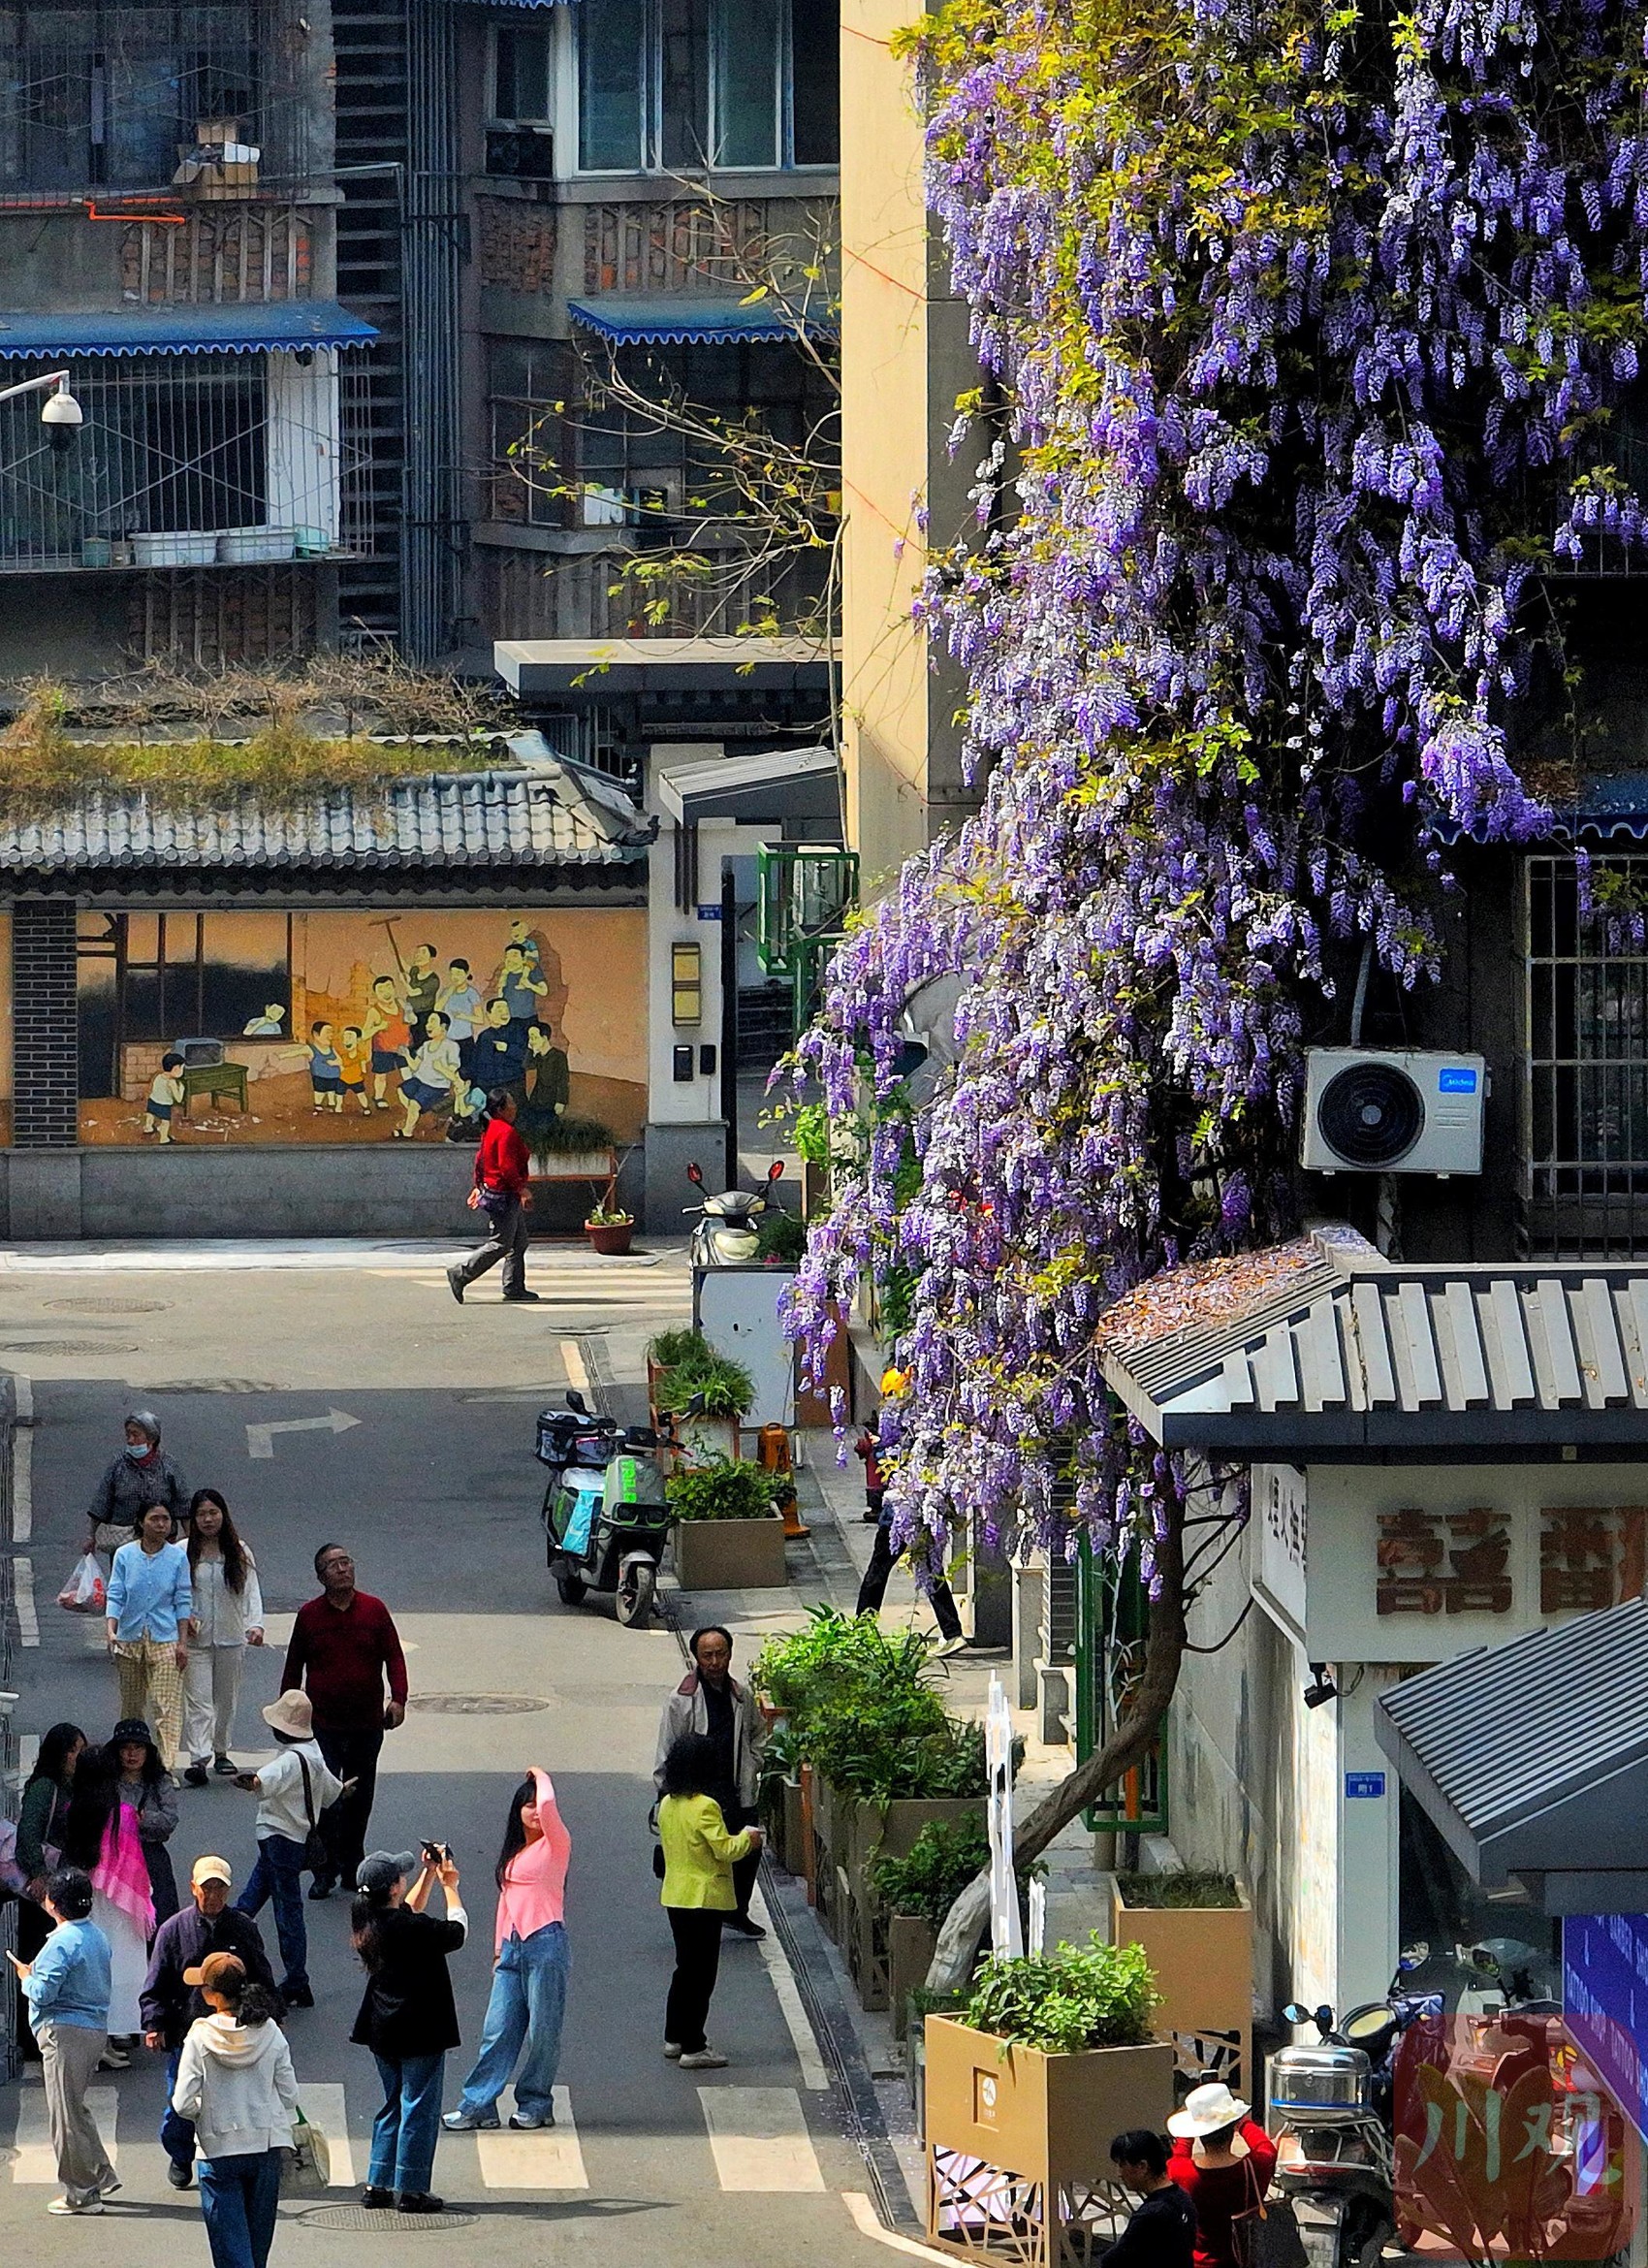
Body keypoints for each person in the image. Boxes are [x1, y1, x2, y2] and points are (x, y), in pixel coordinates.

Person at [443, 1771, 572, 2133]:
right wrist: (499, 1950)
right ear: (517, 1811)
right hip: (513, 1948)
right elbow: (506, 1902)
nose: (535, 1811)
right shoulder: (515, 1852)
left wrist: (539, 1774)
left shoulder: (556, 1843)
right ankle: (478, 2105)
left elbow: (548, 1803)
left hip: (546, 1943)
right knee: (497, 2030)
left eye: (536, 1804)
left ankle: (536, 2103)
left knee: (543, 2032)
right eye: (526, 1805)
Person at [143, 1855, 278, 2190]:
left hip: (234, 2033)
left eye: (220, 1888)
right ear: (193, 1888)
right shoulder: (173, 1931)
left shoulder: (243, 1928)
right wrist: (154, 2024)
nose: (213, 1895)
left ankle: (231, 2156)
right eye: (207, 1888)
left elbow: (262, 1976)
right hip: (187, 2034)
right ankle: (180, 2154)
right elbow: (156, 1984)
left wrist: (272, 2015)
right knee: (179, 2103)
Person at [280, 1545, 407, 1897]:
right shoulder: (309, 1616)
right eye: (333, 1565)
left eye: (346, 1562)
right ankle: (325, 1869)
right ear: (321, 1577)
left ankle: (353, 1867)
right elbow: (293, 1667)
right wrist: (286, 1715)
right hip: (322, 1725)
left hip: (367, 1723)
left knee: (359, 1798)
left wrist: (398, 1699)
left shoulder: (374, 1610)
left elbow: (394, 1657)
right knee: (324, 1797)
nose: (342, 1569)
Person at [350, 1849, 467, 2214]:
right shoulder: (411, 1929)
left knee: (393, 2104)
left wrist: (429, 1874)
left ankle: (378, 2183)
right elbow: (457, 1932)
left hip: (382, 2028)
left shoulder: (370, 1922)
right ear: (393, 1888)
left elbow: (408, 1908)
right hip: (420, 2028)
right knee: (418, 2107)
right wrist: (451, 1887)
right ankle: (413, 2188)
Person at [171, 1952, 299, 2268]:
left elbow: (182, 2102)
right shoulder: (269, 2031)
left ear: (211, 1994)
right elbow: (290, 2095)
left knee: (230, 2249)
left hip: (218, 2151)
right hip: (265, 2146)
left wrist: (205, 2113)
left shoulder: (200, 2037)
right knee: (256, 2247)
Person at [8, 1866, 118, 2216]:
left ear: (52, 1904)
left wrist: (26, 1976)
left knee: (65, 2118)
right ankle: (100, 2172)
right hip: (93, 2030)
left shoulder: (60, 1943)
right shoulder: (96, 1935)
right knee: (74, 2108)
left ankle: (81, 2192)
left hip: (64, 2034)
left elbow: (43, 1992)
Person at [232, 1690, 346, 2009]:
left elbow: (264, 1780)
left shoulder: (289, 1760)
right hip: (295, 1840)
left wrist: (251, 1782)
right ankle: (227, 1942)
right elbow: (333, 1793)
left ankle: (296, 1979)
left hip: (277, 1837)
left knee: (286, 1910)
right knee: (253, 1900)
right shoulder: (315, 1754)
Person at [656, 1732, 761, 2070]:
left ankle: (674, 2035)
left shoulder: (668, 1804)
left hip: (676, 1894)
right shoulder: (705, 1806)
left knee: (685, 1969)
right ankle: (694, 2044)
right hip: (704, 1898)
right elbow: (725, 1850)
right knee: (702, 1975)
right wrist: (748, 1838)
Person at [653, 1628, 768, 1937]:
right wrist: (666, 1793)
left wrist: (753, 1761)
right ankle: (703, 1913)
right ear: (697, 1658)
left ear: (730, 1654)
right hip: (697, 1792)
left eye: (721, 1654)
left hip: (736, 1786)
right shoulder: (681, 1699)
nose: (715, 1662)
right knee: (706, 1855)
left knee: (748, 1850)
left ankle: (737, 1912)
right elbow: (667, 1748)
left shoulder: (741, 1695)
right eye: (707, 1656)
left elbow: (759, 1732)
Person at [59, 1741, 154, 2065]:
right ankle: (111, 2035)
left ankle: (95, 2040)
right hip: (120, 1903)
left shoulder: (72, 1810)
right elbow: (133, 1865)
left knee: (92, 1969)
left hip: (87, 1900)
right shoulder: (123, 1814)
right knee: (123, 1965)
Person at [13, 1724, 87, 2060]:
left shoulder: (74, 1786)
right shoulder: (45, 1787)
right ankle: (31, 2038)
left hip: (62, 1887)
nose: (77, 1757)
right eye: (73, 1750)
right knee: (38, 1958)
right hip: (42, 1891)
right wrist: (39, 1874)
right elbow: (28, 1834)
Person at [182, 1489, 266, 1787]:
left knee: (225, 1700)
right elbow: (173, 1591)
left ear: (223, 1515)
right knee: (199, 1701)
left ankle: (221, 1751)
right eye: (201, 1514)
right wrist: (184, 1617)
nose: (207, 1519)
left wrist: (255, 1624)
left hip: (231, 1638)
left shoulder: (239, 1551)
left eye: (213, 1513)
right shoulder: (182, 1552)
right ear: (193, 1519)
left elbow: (251, 1590)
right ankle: (198, 1757)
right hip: (195, 1641)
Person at [107, 1500, 193, 1772]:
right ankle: (130, 1764)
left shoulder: (177, 1557)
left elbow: (183, 1599)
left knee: (165, 1706)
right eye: (155, 1519)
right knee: (132, 1706)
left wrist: (182, 1643)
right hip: (129, 1638)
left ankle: (165, 1767)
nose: (161, 1524)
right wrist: (111, 1629)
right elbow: (116, 1593)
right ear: (141, 1522)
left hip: (166, 1638)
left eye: (166, 1519)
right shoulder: (124, 1555)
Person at [1166, 2082, 1279, 2268]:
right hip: (1246, 2262)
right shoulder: (1253, 2168)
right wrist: (1242, 2122)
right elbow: (1266, 2148)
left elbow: (1177, 2156)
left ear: (1199, 2134)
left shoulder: (1181, 2172)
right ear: (1232, 2128)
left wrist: (1189, 2132)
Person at [447, 1087, 538, 1305]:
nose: (515, 1107)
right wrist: (522, 1189)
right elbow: (506, 1167)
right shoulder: (505, 1132)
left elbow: (481, 1159)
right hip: (504, 1195)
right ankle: (461, 1273)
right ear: (501, 1109)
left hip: (500, 1192)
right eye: (511, 1103)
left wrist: (478, 1185)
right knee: (501, 1244)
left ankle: (514, 1287)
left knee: (519, 1242)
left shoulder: (493, 1129)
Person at [855, 1490, 967, 1657]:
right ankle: (952, 1632)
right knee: (931, 1571)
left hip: (901, 1513)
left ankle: (862, 1632)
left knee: (878, 1571)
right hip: (923, 1512)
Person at [84, 1408, 190, 1558]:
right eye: (128, 1435)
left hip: (161, 1541)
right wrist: (91, 1536)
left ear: (152, 1438)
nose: (130, 1440)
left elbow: (183, 1504)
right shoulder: (118, 1464)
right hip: (123, 1541)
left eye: (135, 1435)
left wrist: (190, 1538)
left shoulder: (169, 1465)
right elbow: (102, 1500)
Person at [1104, 2129, 1198, 2268]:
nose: (1119, 2173)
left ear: (1142, 2166)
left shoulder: (1150, 2215)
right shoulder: (1183, 2198)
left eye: (1122, 2165)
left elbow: (1112, 2261)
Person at [395, 1009, 465, 1138]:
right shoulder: (426, 1045)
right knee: (401, 1090)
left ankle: (407, 1132)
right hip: (419, 1081)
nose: (428, 1025)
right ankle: (414, 1115)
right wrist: (406, 1055)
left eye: (432, 1021)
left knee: (414, 1105)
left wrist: (441, 1068)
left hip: (435, 1086)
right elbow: (415, 1066)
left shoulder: (451, 1046)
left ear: (443, 1027)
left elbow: (453, 1074)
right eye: (427, 1022)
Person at [363, 974, 411, 1111]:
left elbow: (412, 1019)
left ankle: (411, 1095)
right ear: (375, 994)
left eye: (389, 987)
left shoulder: (402, 1004)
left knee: (407, 1072)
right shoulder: (374, 1011)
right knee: (381, 1076)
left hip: (402, 1047)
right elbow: (364, 1034)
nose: (386, 993)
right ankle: (378, 1097)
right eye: (381, 990)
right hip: (383, 1049)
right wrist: (378, 1027)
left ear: (394, 988)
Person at [145, 1052, 187, 1141]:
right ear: (175, 1069)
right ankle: (164, 1138)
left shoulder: (158, 1076)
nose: (182, 1071)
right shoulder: (172, 1082)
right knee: (165, 1122)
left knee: (150, 1115)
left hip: (152, 1101)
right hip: (163, 1105)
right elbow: (179, 1099)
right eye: (181, 1068)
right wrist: (182, 1089)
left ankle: (148, 1127)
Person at [308, 1022, 344, 1114]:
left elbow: (340, 1060)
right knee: (319, 1092)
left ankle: (331, 1104)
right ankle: (318, 1104)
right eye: (327, 1032)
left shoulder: (332, 1049)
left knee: (331, 1091)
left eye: (332, 1032)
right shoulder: (312, 1049)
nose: (330, 1035)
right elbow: (297, 1052)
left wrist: (335, 1063)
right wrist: (282, 1056)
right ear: (316, 1035)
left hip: (334, 1076)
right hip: (320, 1076)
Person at [856, 1412, 885, 1522]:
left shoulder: (870, 1441)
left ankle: (875, 1509)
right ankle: (877, 1509)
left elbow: (862, 1448)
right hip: (879, 1475)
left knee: (875, 1490)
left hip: (874, 1479)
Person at [338, 1026, 371, 1113]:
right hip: (343, 1079)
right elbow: (341, 1066)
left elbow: (363, 1067)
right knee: (339, 1094)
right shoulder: (343, 1056)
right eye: (344, 1037)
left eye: (349, 1037)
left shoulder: (360, 1055)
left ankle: (366, 1108)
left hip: (357, 1079)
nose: (346, 1041)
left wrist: (363, 1073)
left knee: (361, 1094)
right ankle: (338, 1107)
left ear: (358, 1040)